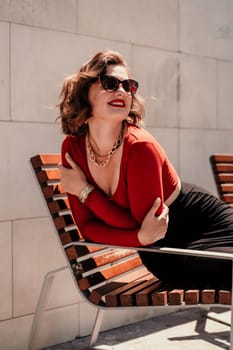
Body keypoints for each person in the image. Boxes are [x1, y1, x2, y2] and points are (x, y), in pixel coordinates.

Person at [58, 50, 233, 290]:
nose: (121, 91)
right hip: (165, 254)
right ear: (84, 93)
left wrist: (85, 191)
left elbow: (140, 228)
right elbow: (88, 229)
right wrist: (140, 238)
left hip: (213, 229)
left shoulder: (140, 147)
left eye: (128, 86)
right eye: (110, 83)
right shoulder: (73, 148)